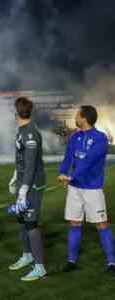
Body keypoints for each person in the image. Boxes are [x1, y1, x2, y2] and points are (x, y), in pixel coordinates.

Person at [58, 105, 115, 276]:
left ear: (84, 118)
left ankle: (112, 262)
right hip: (75, 189)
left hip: (92, 188)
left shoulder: (100, 138)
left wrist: (72, 176)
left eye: (77, 115)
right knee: (74, 222)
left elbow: (88, 161)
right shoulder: (75, 136)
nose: (75, 117)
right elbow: (68, 157)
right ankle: (71, 260)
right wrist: (62, 172)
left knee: (101, 224)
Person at [8, 97, 47, 281]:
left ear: (17, 113)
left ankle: (40, 267)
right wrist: (15, 176)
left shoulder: (30, 133)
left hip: (32, 184)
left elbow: (31, 165)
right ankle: (27, 255)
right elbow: (22, 161)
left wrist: (23, 190)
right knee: (20, 217)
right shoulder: (22, 130)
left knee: (31, 222)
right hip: (23, 181)